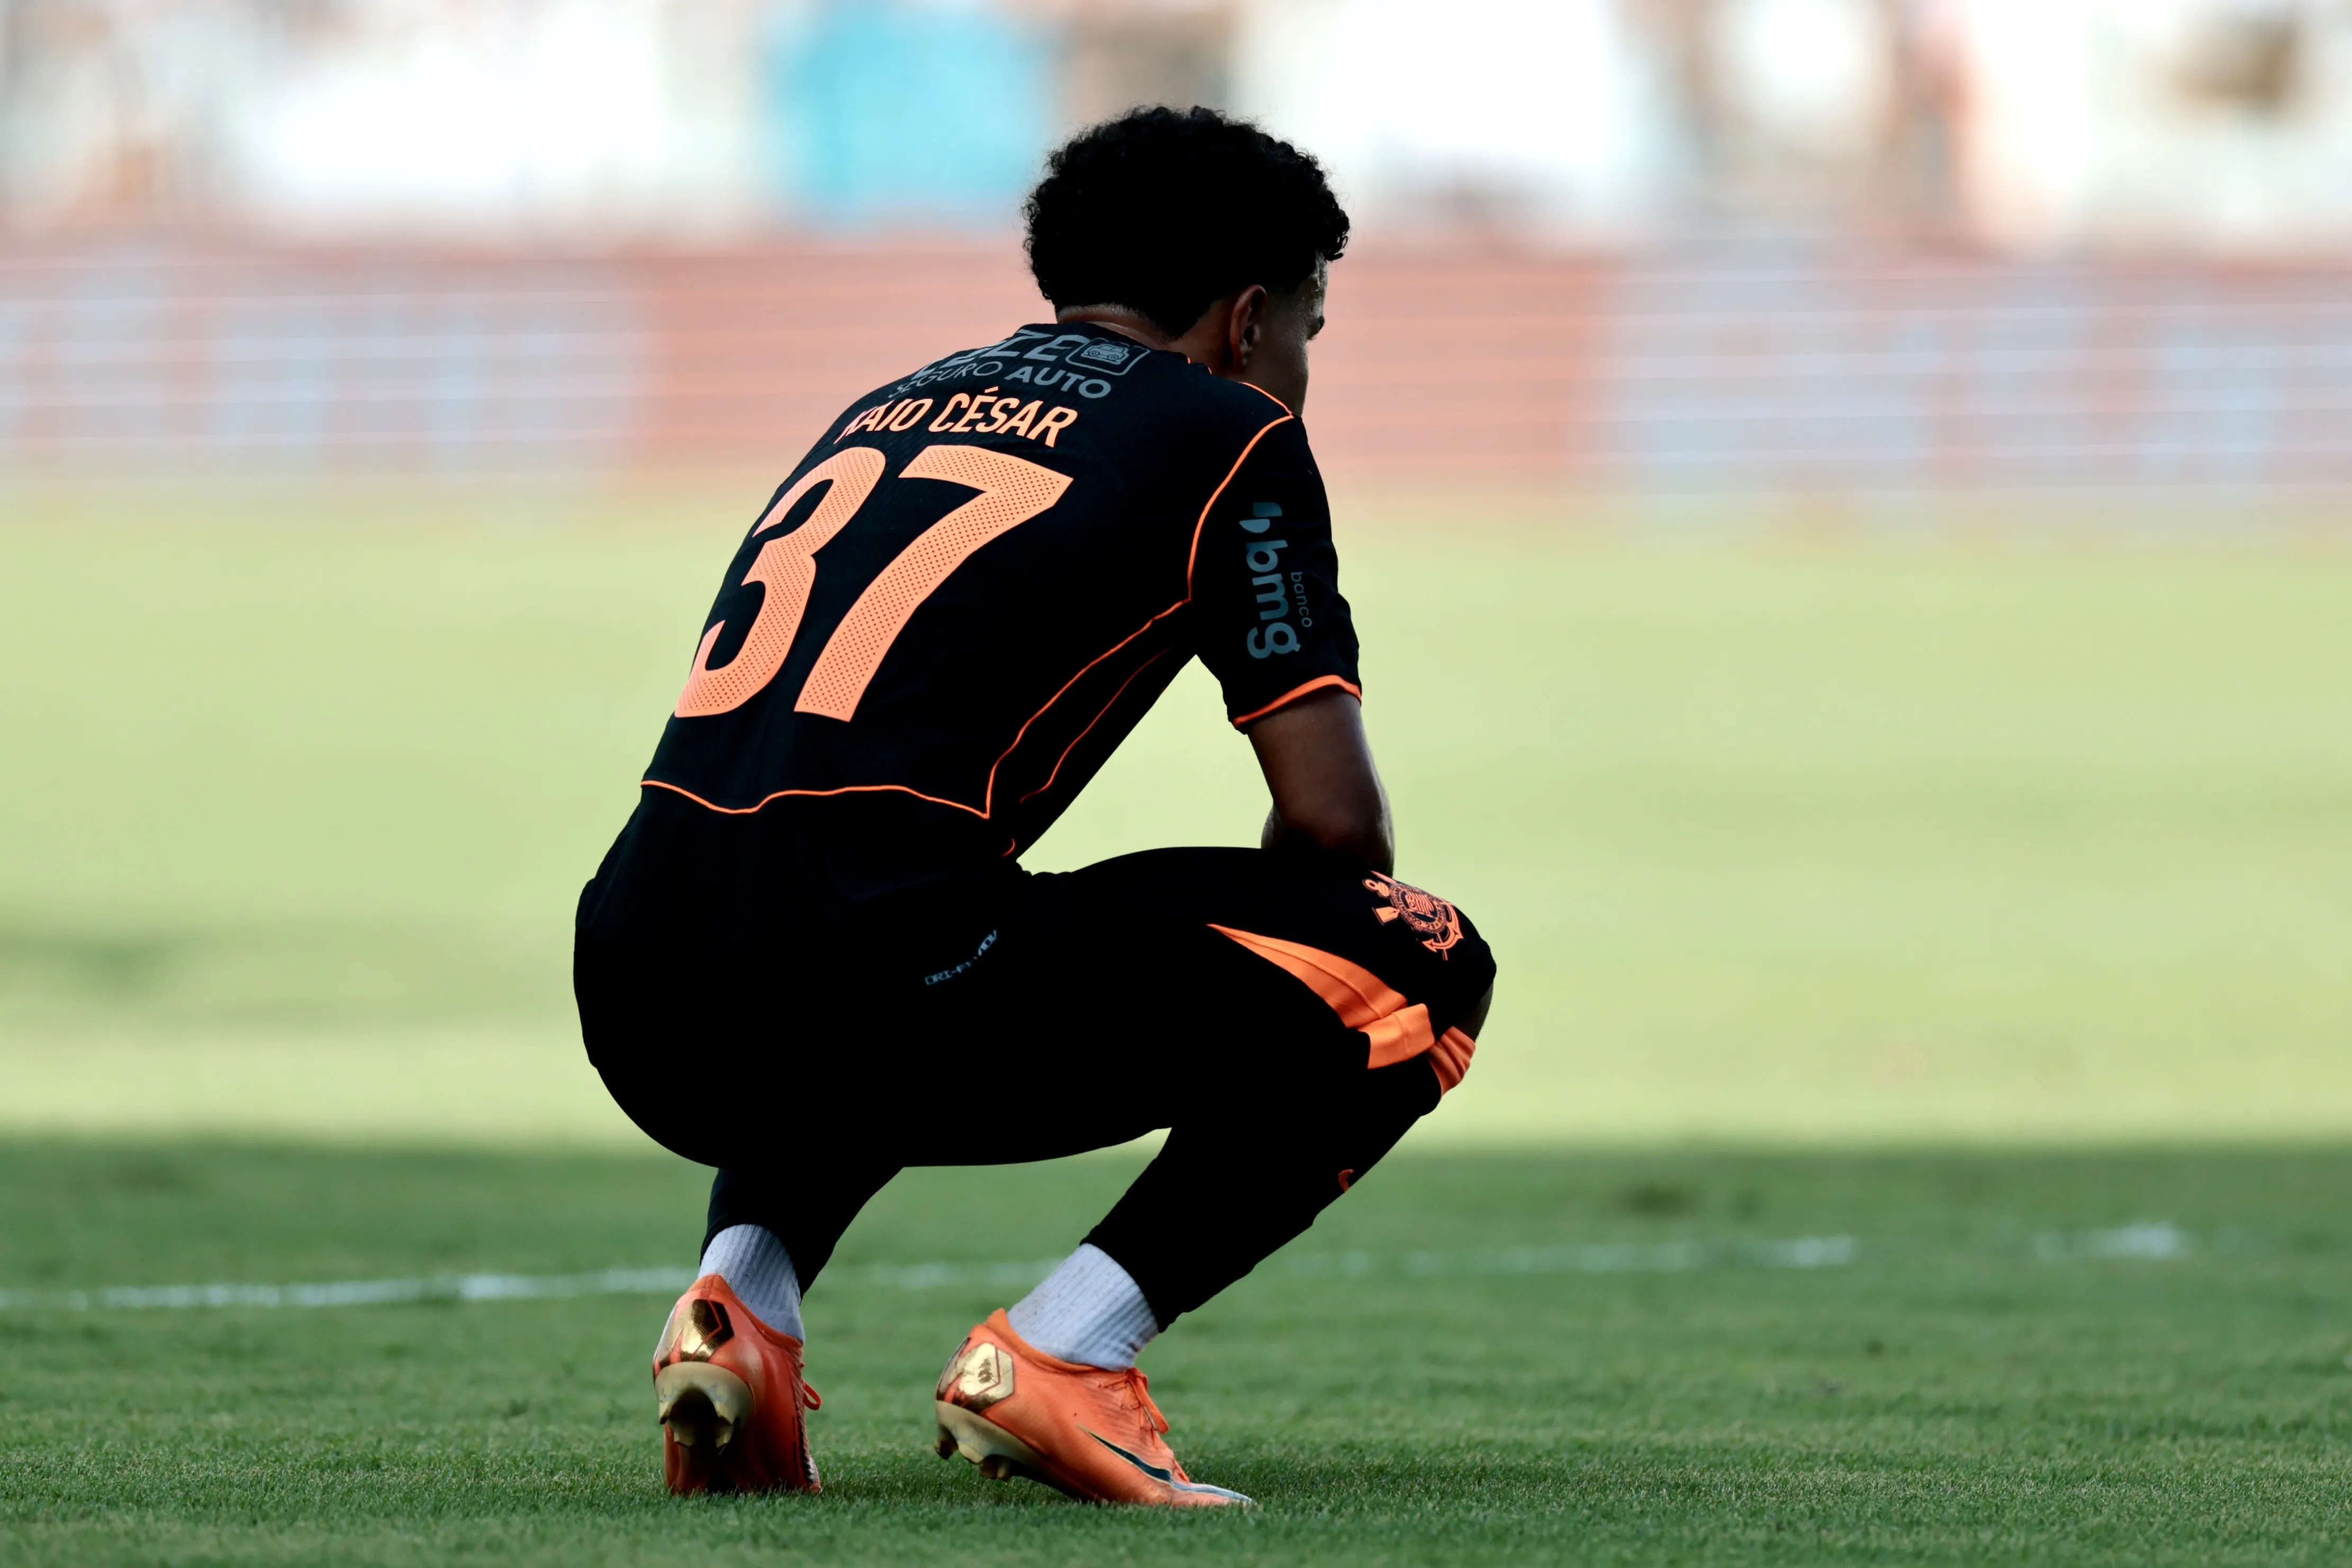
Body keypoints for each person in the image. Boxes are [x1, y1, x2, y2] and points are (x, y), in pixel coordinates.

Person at [573, 105, 1495, 1508]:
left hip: (636, 983)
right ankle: (1066, 1356)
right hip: (868, 970)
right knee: (1415, 955)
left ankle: (740, 1306)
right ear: (1249, 320)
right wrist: (1259, 1007)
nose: (1301, 371)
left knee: (878, 915)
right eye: (1309, 329)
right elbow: (1333, 833)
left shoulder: (890, 399)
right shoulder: (1230, 432)